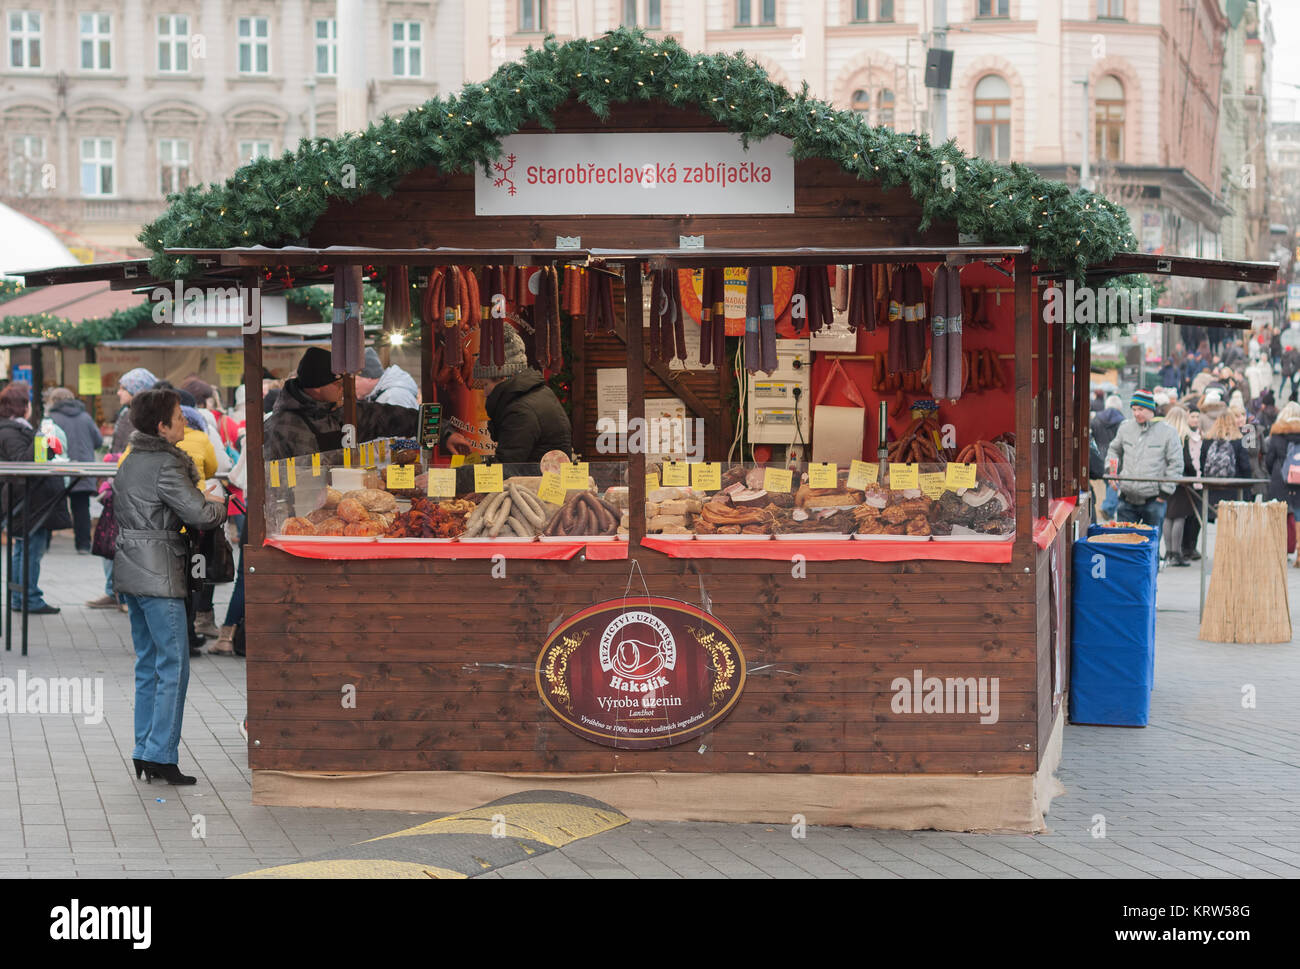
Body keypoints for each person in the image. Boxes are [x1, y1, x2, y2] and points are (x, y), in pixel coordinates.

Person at [114, 388, 227, 785]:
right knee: (173, 665)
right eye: (178, 417)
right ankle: (161, 753)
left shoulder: (131, 460)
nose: (185, 421)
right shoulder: (165, 463)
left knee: (148, 664)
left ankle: (144, 749)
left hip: (130, 571)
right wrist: (217, 499)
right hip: (159, 574)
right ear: (161, 427)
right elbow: (199, 513)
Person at [443, 324, 572, 464]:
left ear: (502, 378)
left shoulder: (520, 411)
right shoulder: (538, 393)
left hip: (535, 483)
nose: (485, 393)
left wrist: (454, 477)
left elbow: (505, 468)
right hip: (539, 481)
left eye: (486, 384)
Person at [263, 347, 417, 461]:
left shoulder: (345, 413)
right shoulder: (281, 426)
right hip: (305, 504)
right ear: (317, 387)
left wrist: (430, 424)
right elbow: (274, 480)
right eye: (338, 383)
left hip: (347, 499)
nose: (344, 388)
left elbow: (388, 418)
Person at [0, 382, 72, 614]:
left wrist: (47, 448)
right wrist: (42, 439)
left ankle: (20, 597)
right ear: (21, 406)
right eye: (28, 402)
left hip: (25, 501)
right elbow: (23, 463)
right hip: (26, 502)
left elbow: (35, 459)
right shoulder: (11, 431)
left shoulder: (14, 429)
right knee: (29, 549)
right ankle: (28, 598)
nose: (31, 406)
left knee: (23, 548)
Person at [1105, 389, 1183, 531]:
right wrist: (1112, 473)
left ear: (1151, 409)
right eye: (1134, 409)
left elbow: (1176, 463)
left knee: (1150, 548)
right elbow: (1114, 450)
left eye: (1140, 409)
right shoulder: (1125, 427)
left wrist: (1164, 493)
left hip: (1154, 500)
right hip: (1126, 499)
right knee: (1125, 546)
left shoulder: (1168, 432)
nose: (1136, 413)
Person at [45, 387, 103, 553]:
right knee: (81, 508)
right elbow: (98, 441)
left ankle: (45, 543)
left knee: (51, 506)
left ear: (53, 401)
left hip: (57, 469)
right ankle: (83, 545)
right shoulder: (86, 417)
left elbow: (44, 443)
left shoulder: (51, 420)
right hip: (82, 469)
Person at [1263, 401, 1300, 566]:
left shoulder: (1277, 435)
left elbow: (1269, 460)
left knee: (1279, 515)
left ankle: (1280, 550)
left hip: (1280, 478)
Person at [1160, 406, 1197, 567]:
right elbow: (1187, 462)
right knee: (1179, 517)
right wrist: (1194, 473)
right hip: (1181, 482)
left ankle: (1168, 552)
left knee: (1168, 516)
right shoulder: (1183, 437)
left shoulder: (1162, 435)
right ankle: (1176, 553)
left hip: (1164, 479)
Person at [1199, 409, 1254, 511]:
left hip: (1211, 488)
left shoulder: (1207, 440)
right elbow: (1245, 466)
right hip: (1234, 489)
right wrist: (1249, 485)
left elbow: (1202, 463)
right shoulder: (1238, 440)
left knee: (1215, 519)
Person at [1090, 394, 1125, 519]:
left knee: (1109, 482)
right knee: (1114, 482)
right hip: (1116, 457)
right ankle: (1108, 507)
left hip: (1100, 454)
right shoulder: (1122, 421)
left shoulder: (1096, 420)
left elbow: (1090, 436)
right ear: (1119, 407)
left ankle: (1108, 507)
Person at [111, 368, 158, 452]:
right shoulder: (125, 413)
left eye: (124, 389)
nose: (118, 392)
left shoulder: (148, 418)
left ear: (137, 391)